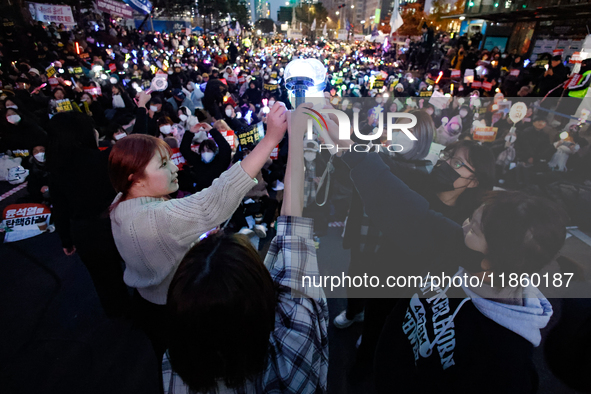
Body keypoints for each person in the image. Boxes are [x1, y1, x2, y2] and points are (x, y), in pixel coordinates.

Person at [328, 124, 567, 392]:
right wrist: (350, 149)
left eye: (474, 228)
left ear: (496, 256)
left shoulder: (505, 363)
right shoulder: (464, 250)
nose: (463, 226)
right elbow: (406, 209)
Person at [107, 102, 288, 369]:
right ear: (136, 178)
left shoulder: (120, 203)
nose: (174, 169)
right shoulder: (157, 217)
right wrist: (271, 139)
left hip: (149, 304)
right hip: (175, 309)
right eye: (163, 165)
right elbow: (215, 200)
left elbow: (163, 248)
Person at [163, 102, 328, 394]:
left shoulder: (174, 369)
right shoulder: (296, 336)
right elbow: (293, 226)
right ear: (264, 295)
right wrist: (295, 140)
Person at [46, 111, 130, 318]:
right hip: (118, 223)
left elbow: (60, 207)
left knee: (104, 280)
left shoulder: (56, 168)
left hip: (84, 232)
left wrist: (66, 239)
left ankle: (119, 315)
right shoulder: (104, 157)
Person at [179, 121, 232, 192]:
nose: (206, 153)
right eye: (203, 151)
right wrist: (190, 132)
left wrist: (212, 131)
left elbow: (225, 148)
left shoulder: (220, 162)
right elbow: (184, 149)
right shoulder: (197, 161)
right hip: (202, 196)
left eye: (209, 150)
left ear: (214, 152)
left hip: (220, 193)